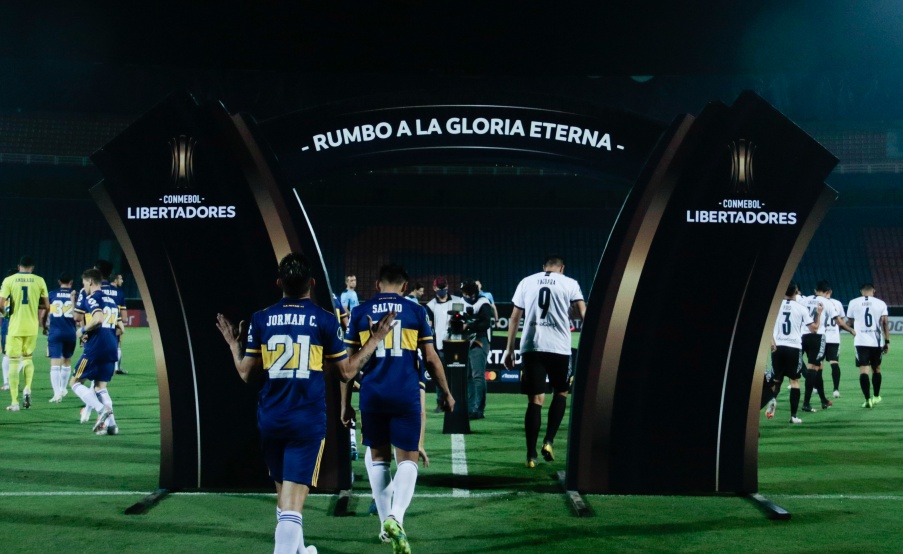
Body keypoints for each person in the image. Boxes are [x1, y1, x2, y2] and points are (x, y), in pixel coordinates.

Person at [215, 253, 395, 554]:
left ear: (279, 283)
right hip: (306, 421)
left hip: (270, 418)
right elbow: (346, 372)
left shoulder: (261, 318)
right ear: (312, 283)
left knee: (285, 497)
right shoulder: (324, 319)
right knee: (292, 506)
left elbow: (247, 374)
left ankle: (301, 551)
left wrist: (234, 346)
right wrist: (375, 339)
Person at [344, 263, 454, 554]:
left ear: (378, 284)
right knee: (408, 460)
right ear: (405, 287)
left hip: (373, 393)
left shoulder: (359, 312)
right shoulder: (417, 311)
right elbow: (430, 358)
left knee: (378, 458)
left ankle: (384, 526)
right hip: (405, 391)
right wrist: (445, 391)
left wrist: (345, 405)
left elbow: (347, 366)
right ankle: (396, 517)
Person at [503, 255, 586, 468]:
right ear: (562, 268)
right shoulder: (570, 283)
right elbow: (584, 313)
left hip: (532, 346)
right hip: (559, 347)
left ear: (544, 268)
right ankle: (549, 440)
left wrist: (509, 349)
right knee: (561, 392)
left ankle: (531, 455)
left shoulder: (526, 281)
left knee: (535, 401)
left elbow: (514, 317)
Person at [69, 268, 121, 435]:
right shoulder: (111, 300)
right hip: (111, 348)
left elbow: (97, 319)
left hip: (95, 349)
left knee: (75, 383)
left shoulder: (92, 298)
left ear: (90, 282)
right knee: (100, 387)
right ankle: (112, 426)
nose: (84, 286)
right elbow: (120, 327)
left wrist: (82, 330)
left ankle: (101, 410)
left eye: (84, 283)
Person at [0, 256, 50, 411]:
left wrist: (8, 314)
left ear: (19, 266)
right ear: (32, 268)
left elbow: (1, 304)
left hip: (15, 327)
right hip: (31, 327)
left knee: (14, 362)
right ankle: (28, 387)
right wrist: (36, 306)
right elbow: (47, 306)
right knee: (28, 359)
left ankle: (15, 402)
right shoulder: (39, 280)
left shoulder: (9, 280)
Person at [766, 281, 820, 423]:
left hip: (777, 347)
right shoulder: (801, 308)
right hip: (794, 348)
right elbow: (814, 329)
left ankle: (771, 400)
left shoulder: (775, 306)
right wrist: (818, 314)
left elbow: (766, 327)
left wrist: (772, 343)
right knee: (794, 382)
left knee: (776, 380)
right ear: (796, 292)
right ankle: (793, 416)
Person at [798, 281, 846, 412]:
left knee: (816, 369)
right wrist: (851, 330)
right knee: (814, 368)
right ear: (827, 292)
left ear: (815, 290)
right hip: (817, 336)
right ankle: (806, 403)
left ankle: (823, 399)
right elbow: (838, 321)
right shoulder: (827, 302)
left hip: (802, 336)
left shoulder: (805, 300)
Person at [846, 283, 890, 408]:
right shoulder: (880, 303)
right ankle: (876, 396)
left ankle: (867, 399)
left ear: (861, 291)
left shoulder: (853, 302)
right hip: (876, 342)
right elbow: (885, 322)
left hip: (860, 341)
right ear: (874, 291)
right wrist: (887, 341)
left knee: (863, 371)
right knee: (876, 369)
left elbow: (850, 322)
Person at [425, 277, 463, 411]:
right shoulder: (430, 306)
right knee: (440, 375)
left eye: (444, 287)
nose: (442, 290)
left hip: (458, 344)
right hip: (440, 345)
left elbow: (462, 317)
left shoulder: (457, 301)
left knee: (457, 375)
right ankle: (440, 403)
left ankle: (459, 402)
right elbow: (429, 327)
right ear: (434, 288)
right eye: (440, 288)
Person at [460, 280, 493, 420]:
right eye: (466, 294)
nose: (468, 296)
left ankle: (479, 409)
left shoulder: (483, 302)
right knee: (467, 376)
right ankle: (470, 407)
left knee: (478, 376)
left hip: (479, 340)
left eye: (471, 294)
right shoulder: (460, 301)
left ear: (476, 292)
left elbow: (486, 323)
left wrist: (469, 326)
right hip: (464, 341)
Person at [45, 273, 77, 403]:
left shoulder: (52, 294)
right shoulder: (77, 295)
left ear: (59, 281)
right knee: (67, 361)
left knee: (54, 363)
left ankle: (56, 393)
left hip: (55, 332)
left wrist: (44, 325)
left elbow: (45, 312)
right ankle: (63, 389)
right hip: (70, 332)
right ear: (71, 282)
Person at [95, 260, 128, 375]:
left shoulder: (92, 290)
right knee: (117, 346)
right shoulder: (119, 293)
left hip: (95, 329)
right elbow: (124, 318)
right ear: (111, 276)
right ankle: (115, 368)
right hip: (112, 327)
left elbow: (80, 316)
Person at [824, 284, 849, 398]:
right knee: (834, 363)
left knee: (817, 365)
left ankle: (815, 387)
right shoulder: (837, 303)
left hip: (820, 337)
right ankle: (835, 389)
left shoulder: (818, 302)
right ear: (831, 291)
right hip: (833, 338)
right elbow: (841, 321)